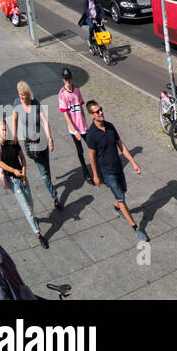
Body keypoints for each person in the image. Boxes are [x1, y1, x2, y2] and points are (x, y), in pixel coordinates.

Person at [83, 101, 148, 242]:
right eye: (97, 111)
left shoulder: (110, 126)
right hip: (107, 172)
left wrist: (133, 163)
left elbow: (121, 146)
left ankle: (116, 208)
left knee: (123, 192)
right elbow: (92, 157)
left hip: (118, 167)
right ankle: (136, 228)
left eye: (101, 109)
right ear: (91, 115)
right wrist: (95, 175)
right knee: (122, 199)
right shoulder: (91, 134)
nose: (101, 112)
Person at [0, 118, 47, 248]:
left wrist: (23, 172)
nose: (5, 133)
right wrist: (13, 171)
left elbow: (22, 157)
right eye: (2, 130)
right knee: (27, 208)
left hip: (22, 177)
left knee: (31, 203)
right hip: (13, 180)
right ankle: (38, 234)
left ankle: (33, 220)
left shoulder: (13, 141)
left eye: (6, 129)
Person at [12, 82, 59, 213]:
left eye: (23, 96)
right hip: (31, 145)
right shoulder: (16, 104)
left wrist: (50, 139)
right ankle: (55, 196)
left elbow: (44, 121)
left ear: (28, 94)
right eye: (20, 96)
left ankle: (50, 185)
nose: (22, 99)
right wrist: (14, 136)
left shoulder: (35, 103)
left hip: (42, 140)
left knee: (47, 167)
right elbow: (14, 119)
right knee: (44, 172)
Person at [57, 68, 93, 181]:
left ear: (71, 78)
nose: (67, 81)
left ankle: (96, 168)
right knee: (80, 151)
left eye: (69, 79)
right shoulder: (62, 94)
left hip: (83, 125)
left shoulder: (77, 90)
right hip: (74, 128)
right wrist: (75, 131)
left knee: (92, 147)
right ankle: (85, 173)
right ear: (63, 80)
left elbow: (81, 106)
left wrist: (85, 122)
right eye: (65, 79)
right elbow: (65, 115)